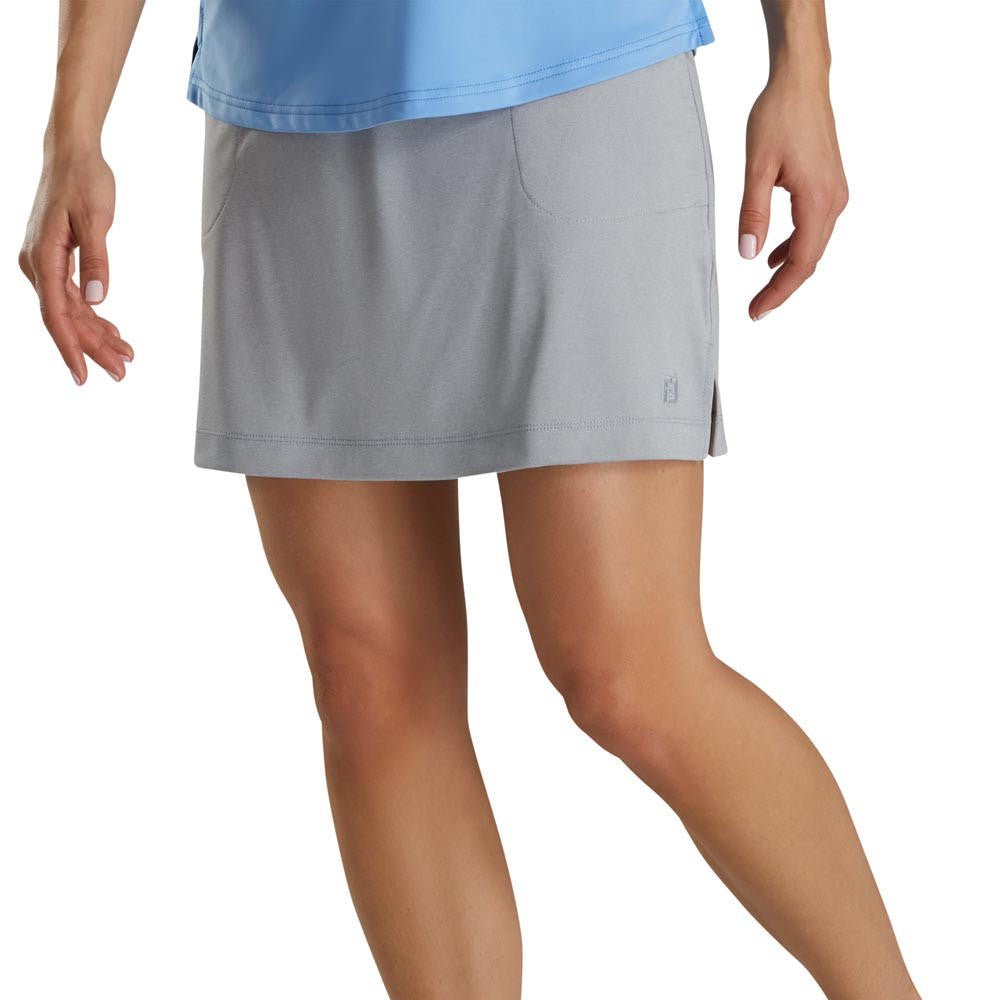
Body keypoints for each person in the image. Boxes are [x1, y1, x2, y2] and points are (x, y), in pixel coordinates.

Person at [19, 2, 920, 997]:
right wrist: (73, 129)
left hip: (578, 68)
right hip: (285, 104)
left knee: (625, 667)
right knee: (367, 676)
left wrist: (802, 65)